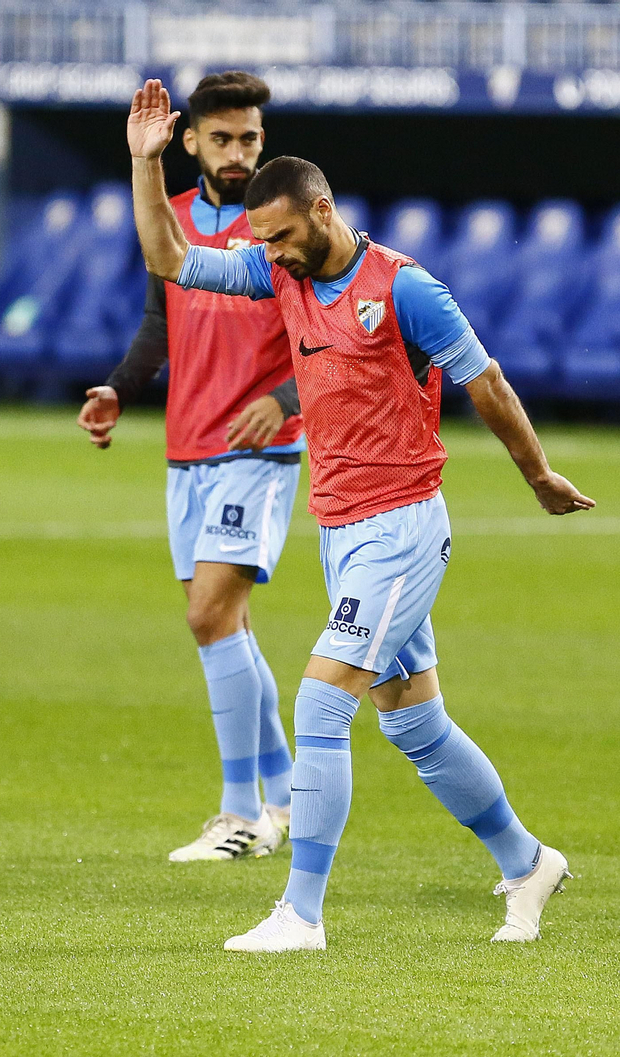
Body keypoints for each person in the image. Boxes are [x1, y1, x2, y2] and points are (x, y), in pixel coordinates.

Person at [126, 80, 594, 952]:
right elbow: (173, 259)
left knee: (319, 703)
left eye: (282, 236)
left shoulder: (405, 289)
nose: (272, 254)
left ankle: (300, 914)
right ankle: (528, 861)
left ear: (323, 211)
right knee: (415, 722)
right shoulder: (279, 269)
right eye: (263, 241)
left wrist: (538, 475)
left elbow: (485, 380)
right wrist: (145, 164)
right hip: (341, 528)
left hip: (401, 526)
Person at [77, 72, 300, 863]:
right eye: (223, 139)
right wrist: (119, 388)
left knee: (209, 616)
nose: (238, 152)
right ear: (193, 141)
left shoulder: (285, 224)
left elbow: (330, 328)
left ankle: (239, 813)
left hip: (258, 450)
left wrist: (284, 397)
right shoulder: (168, 217)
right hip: (187, 449)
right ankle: (291, 797)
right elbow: (158, 322)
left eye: (250, 138)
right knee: (226, 626)